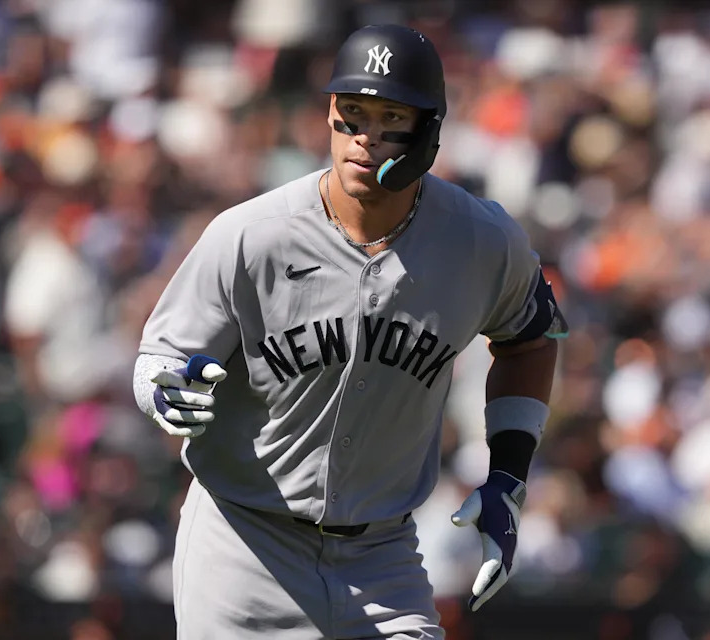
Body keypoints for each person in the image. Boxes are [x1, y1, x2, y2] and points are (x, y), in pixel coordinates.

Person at [133, 24, 567, 640]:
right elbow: (159, 356)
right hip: (244, 549)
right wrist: (163, 389)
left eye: (391, 117)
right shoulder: (252, 235)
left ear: (430, 132)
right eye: (352, 114)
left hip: (382, 558)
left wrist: (509, 477)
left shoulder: (481, 241)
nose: (365, 138)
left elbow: (528, 340)